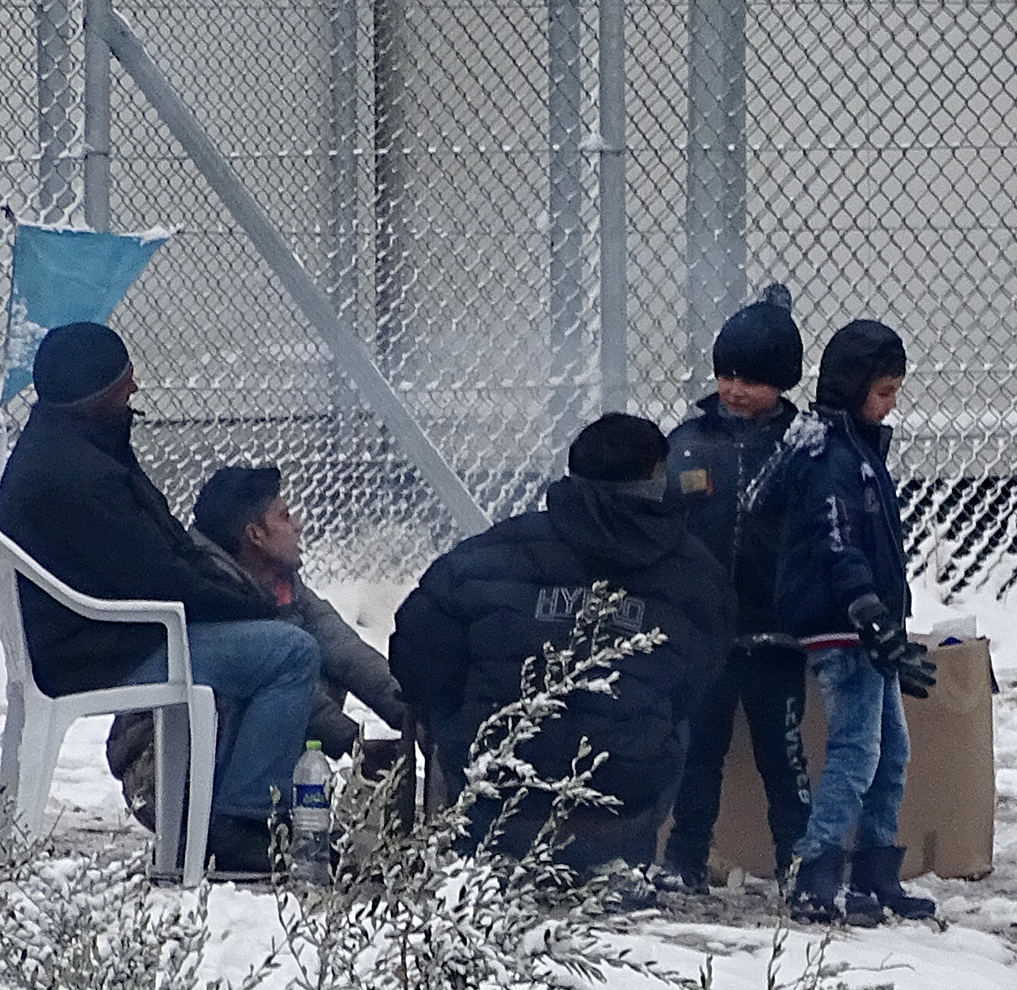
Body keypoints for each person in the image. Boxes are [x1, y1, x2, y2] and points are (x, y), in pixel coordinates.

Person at [0, 321, 325, 874]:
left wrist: (232, 596)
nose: (134, 389)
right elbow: (161, 579)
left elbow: (164, 554)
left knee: (270, 641)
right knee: (288, 652)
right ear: (96, 395)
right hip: (99, 652)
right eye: (123, 383)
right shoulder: (81, 476)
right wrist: (252, 606)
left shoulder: (65, 445)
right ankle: (241, 822)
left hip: (87, 638)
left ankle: (220, 814)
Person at [387, 414, 730, 872]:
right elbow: (701, 678)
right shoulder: (697, 575)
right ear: (656, 477)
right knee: (673, 718)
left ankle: (473, 856)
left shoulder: (487, 556)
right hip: (622, 808)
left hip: (494, 799)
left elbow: (415, 654)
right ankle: (627, 864)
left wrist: (459, 728)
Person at [102, 463, 414, 832]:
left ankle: (264, 814)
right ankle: (242, 824)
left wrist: (414, 709)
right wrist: (356, 743)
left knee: (319, 660)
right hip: (161, 775)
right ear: (255, 535)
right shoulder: (207, 585)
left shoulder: (280, 582)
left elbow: (345, 649)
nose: (298, 526)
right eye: (284, 516)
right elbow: (294, 690)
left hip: (218, 758)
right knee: (283, 669)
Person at [754, 319, 939, 925]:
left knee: (891, 753)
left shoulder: (856, 449)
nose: (890, 406)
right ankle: (815, 870)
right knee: (857, 752)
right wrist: (868, 612)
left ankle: (874, 871)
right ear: (854, 386)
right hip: (843, 624)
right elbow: (838, 543)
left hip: (866, 625)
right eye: (884, 392)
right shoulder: (830, 457)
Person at [656, 288, 811, 889]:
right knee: (698, 752)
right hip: (707, 632)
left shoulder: (804, 445)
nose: (736, 390)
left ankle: (798, 862)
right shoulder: (688, 443)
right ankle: (685, 859)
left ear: (784, 382)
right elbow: (664, 524)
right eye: (727, 375)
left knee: (784, 757)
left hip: (777, 633)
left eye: (753, 379)